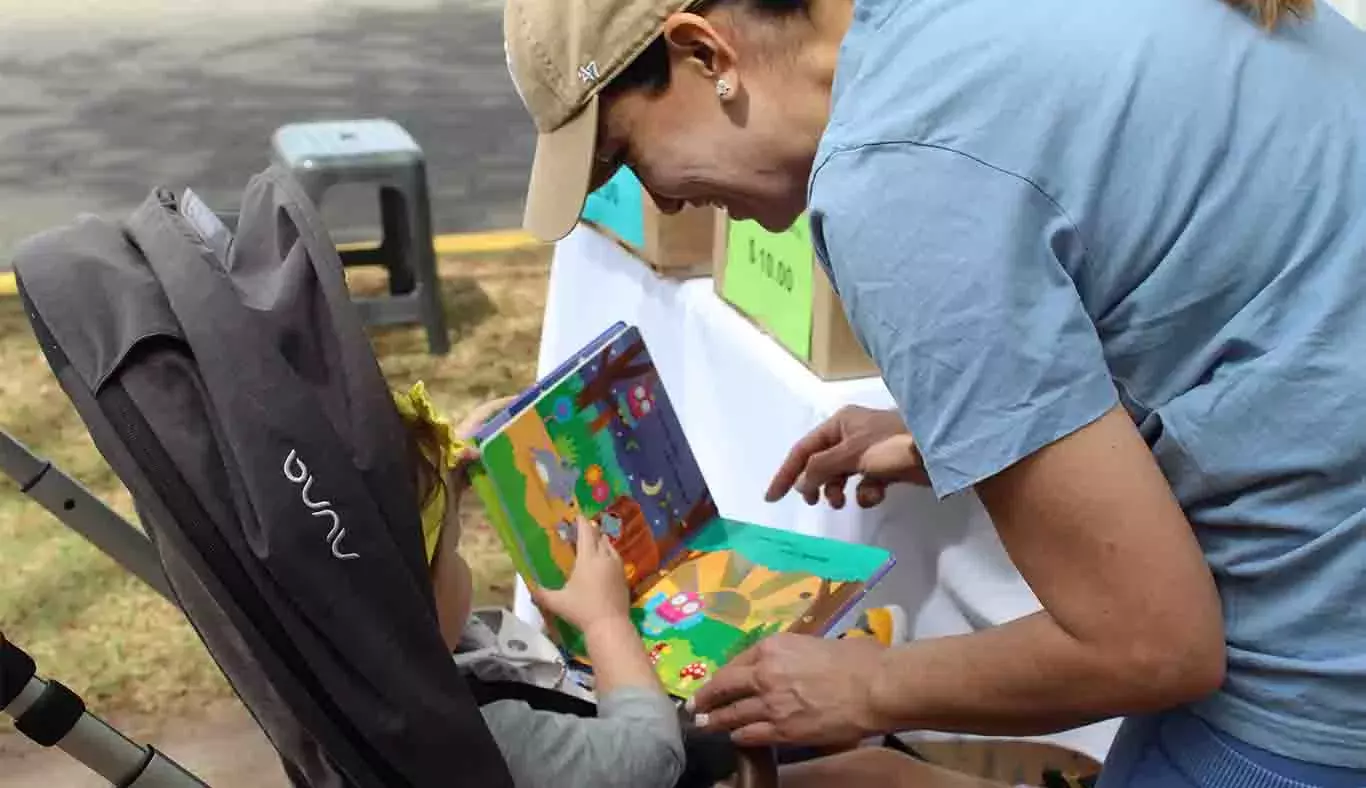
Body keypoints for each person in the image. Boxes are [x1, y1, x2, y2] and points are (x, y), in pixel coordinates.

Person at [501, 0, 1366, 785]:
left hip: (1321, 663)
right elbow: (1221, 280)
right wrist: (954, 428)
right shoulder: (945, 35)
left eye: (623, 156)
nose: (655, 196)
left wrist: (869, 687)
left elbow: (1150, 646)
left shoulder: (892, 173)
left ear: (706, 55)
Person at [391, 384, 686, 788]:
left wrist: (443, 475)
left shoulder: (324, 675)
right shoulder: (482, 742)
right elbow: (652, 757)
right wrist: (605, 620)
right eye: (453, 547)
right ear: (416, 603)